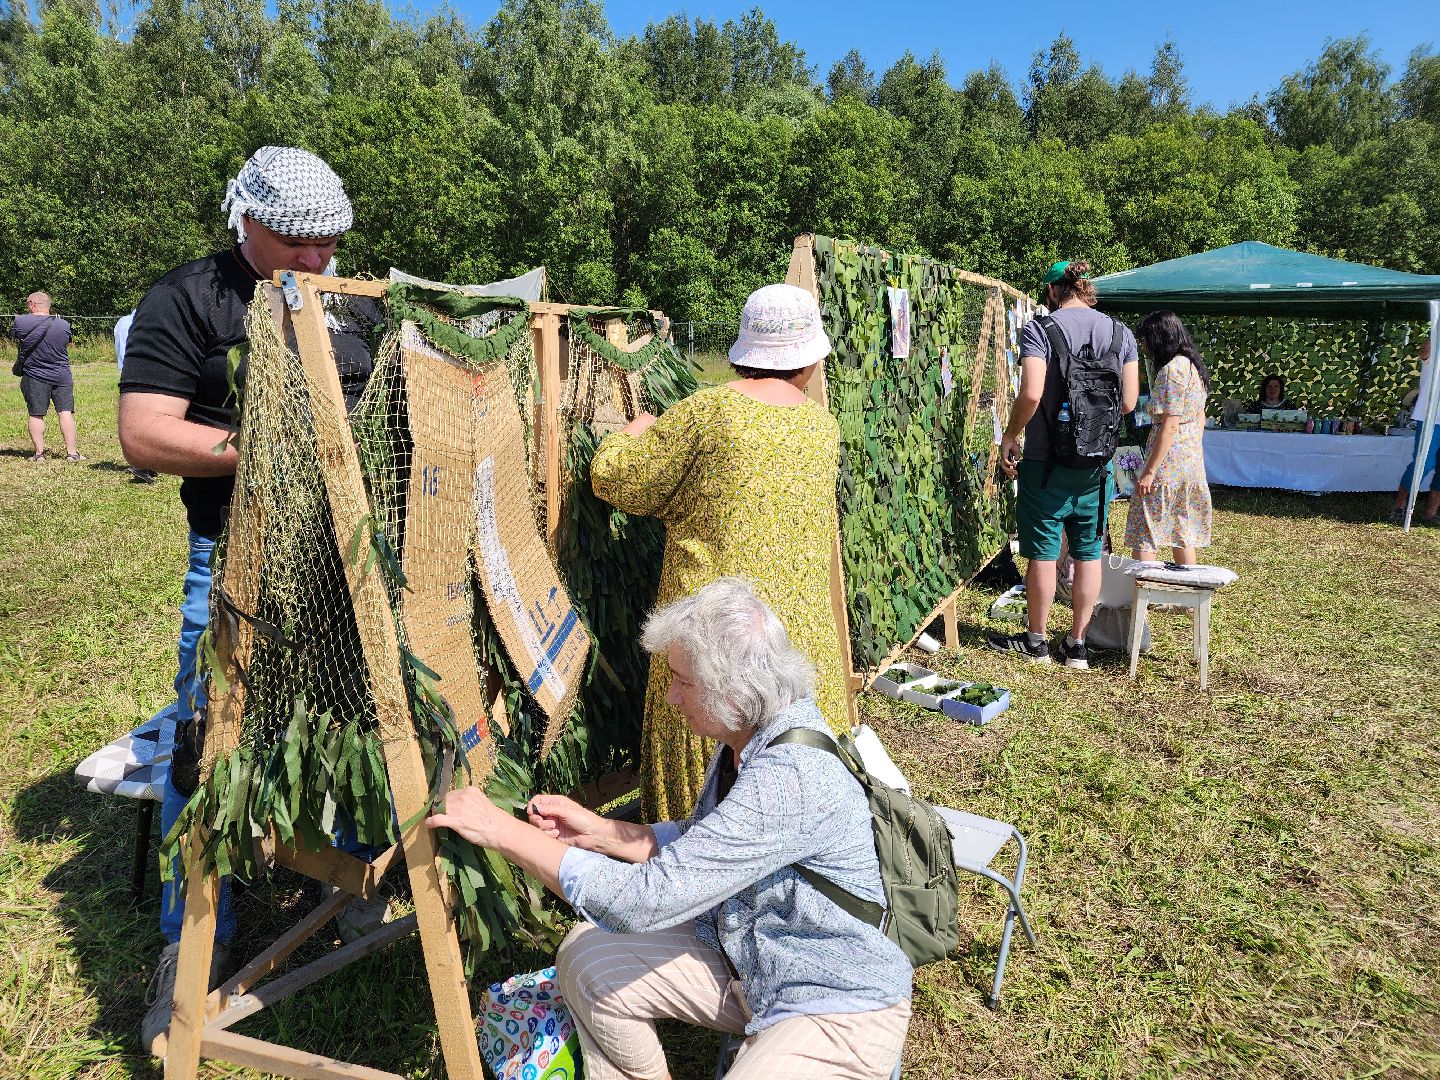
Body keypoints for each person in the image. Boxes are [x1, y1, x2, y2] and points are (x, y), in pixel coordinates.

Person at [427, 578, 913, 1080]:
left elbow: (643, 901)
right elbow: (705, 838)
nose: (672, 696)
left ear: (732, 689)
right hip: (753, 956)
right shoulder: (746, 739)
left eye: (683, 681)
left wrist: (502, 830)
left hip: (833, 998)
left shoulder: (787, 780)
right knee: (586, 959)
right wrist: (601, 832)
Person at [119, 146, 382, 1051]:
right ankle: (190, 944)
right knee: (211, 741)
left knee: (349, 717)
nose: (320, 260)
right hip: (233, 553)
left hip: (342, 556)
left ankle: (340, 881)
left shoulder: (349, 302)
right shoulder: (192, 298)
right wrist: (270, 445)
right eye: (303, 244)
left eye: (332, 243)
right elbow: (145, 433)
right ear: (250, 221)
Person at [590, 283, 848, 820]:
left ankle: (694, 875)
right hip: (795, 639)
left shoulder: (712, 413)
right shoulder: (823, 427)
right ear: (809, 360)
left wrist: (631, 435)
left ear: (746, 353)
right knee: (785, 780)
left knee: (705, 775)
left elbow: (619, 482)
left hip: (715, 640)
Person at [988, 260, 1139, 670]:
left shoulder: (1040, 330)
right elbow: (1127, 403)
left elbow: (1032, 393)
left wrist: (1010, 434)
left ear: (1053, 291)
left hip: (1045, 461)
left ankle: (1036, 641)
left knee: (1042, 553)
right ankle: (1076, 646)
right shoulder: (1122, 334)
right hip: (1096, 465)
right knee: (1088, 554)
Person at [1124, 311, 1213, 564]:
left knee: (1146, 528)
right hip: (1190, 460)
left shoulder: (1172, 370)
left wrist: (1149, 471)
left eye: (1146, 340)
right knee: (1182, 528)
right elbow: (1201, 418)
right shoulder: (1195, 367)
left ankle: (1145, 595)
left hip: (1167, 462)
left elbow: (1170, 426)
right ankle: (1186, 596)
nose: (1144, 346)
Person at [12, 291, 83, 462]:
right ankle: (72, 453)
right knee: (65, 413)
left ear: (32, 304)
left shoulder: (21, 321)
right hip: (62, 375)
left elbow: (16, 337)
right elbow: (67, 342)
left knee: (36, 414)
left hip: (35, 375)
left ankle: (39, 454)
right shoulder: (64, 324)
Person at [1388, 335, 1439, 526]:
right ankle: (1400, 506)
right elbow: (1425, 352)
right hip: (1431, 418)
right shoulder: (1434, 349)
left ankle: (1431, 513)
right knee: (1423, 464)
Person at [113, 310, 156, 482]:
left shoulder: (122, 322)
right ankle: (141, 465)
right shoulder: (148, 319)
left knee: (134, 418)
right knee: (147, 419)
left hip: (126, 371)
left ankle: (145, 463)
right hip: (144, 371)